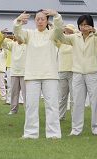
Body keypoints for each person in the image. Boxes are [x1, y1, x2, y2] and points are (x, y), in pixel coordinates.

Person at [56, 13, 97, 136]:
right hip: (78, 73)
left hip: (93, 73)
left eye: (86, 25)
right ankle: (76, 129)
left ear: (91, 25)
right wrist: (58, 24)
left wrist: (94, 30)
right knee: (77, 102)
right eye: (81, 25)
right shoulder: (74, 37)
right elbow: (60, 37)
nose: (84, 27)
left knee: (95, 101)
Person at [14, 9, 63, 139]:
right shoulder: (29, 34)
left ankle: (54, 134)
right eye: (37, 19)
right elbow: (18, 34)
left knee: (52, 105)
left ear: (47, 21)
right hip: (32, 75)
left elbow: (59, 29)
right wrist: (18, 21)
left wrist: (56, 15)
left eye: (42, 19)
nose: (40, 21)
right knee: (31, 105)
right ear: (34, 21)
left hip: (50, 75)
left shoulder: (52, 34)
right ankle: (30, 133)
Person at [2, 34, 27, 115]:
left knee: (26, 93)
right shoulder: (12, 44)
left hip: (25, 72)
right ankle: (13, 110)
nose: (18, 37)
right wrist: (2, 36)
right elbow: (3, 44)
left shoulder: (27, 45)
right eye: (16, 36)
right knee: (14, 92)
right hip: (14, 72)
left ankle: (28, 110)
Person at [57, 24, 75, 121]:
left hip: (73, 71)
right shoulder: (61, 42)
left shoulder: (75, 40)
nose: (67, 32)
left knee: (73, 97)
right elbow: (55, 37)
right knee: (62, 97)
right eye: (66, 31)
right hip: (62, 71)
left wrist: (71, 31)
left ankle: (74, 116)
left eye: (69, 31)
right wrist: (60, 29)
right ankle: (60, 116)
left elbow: (78, 34)